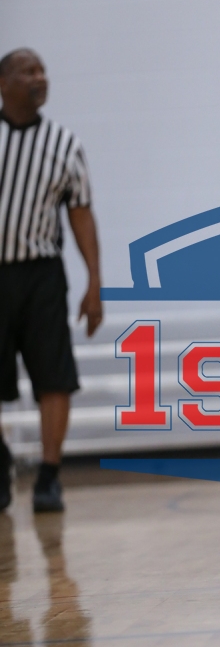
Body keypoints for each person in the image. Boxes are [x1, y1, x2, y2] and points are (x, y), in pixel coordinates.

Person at [0, 49, 103, 513]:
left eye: (42, 70)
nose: (40, 77)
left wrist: (94, 281)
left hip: (41, 274)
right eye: (28, 71)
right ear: (4, 82)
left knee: (54, 376)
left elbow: (81, 214)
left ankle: (48, 475)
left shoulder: (64, 144)